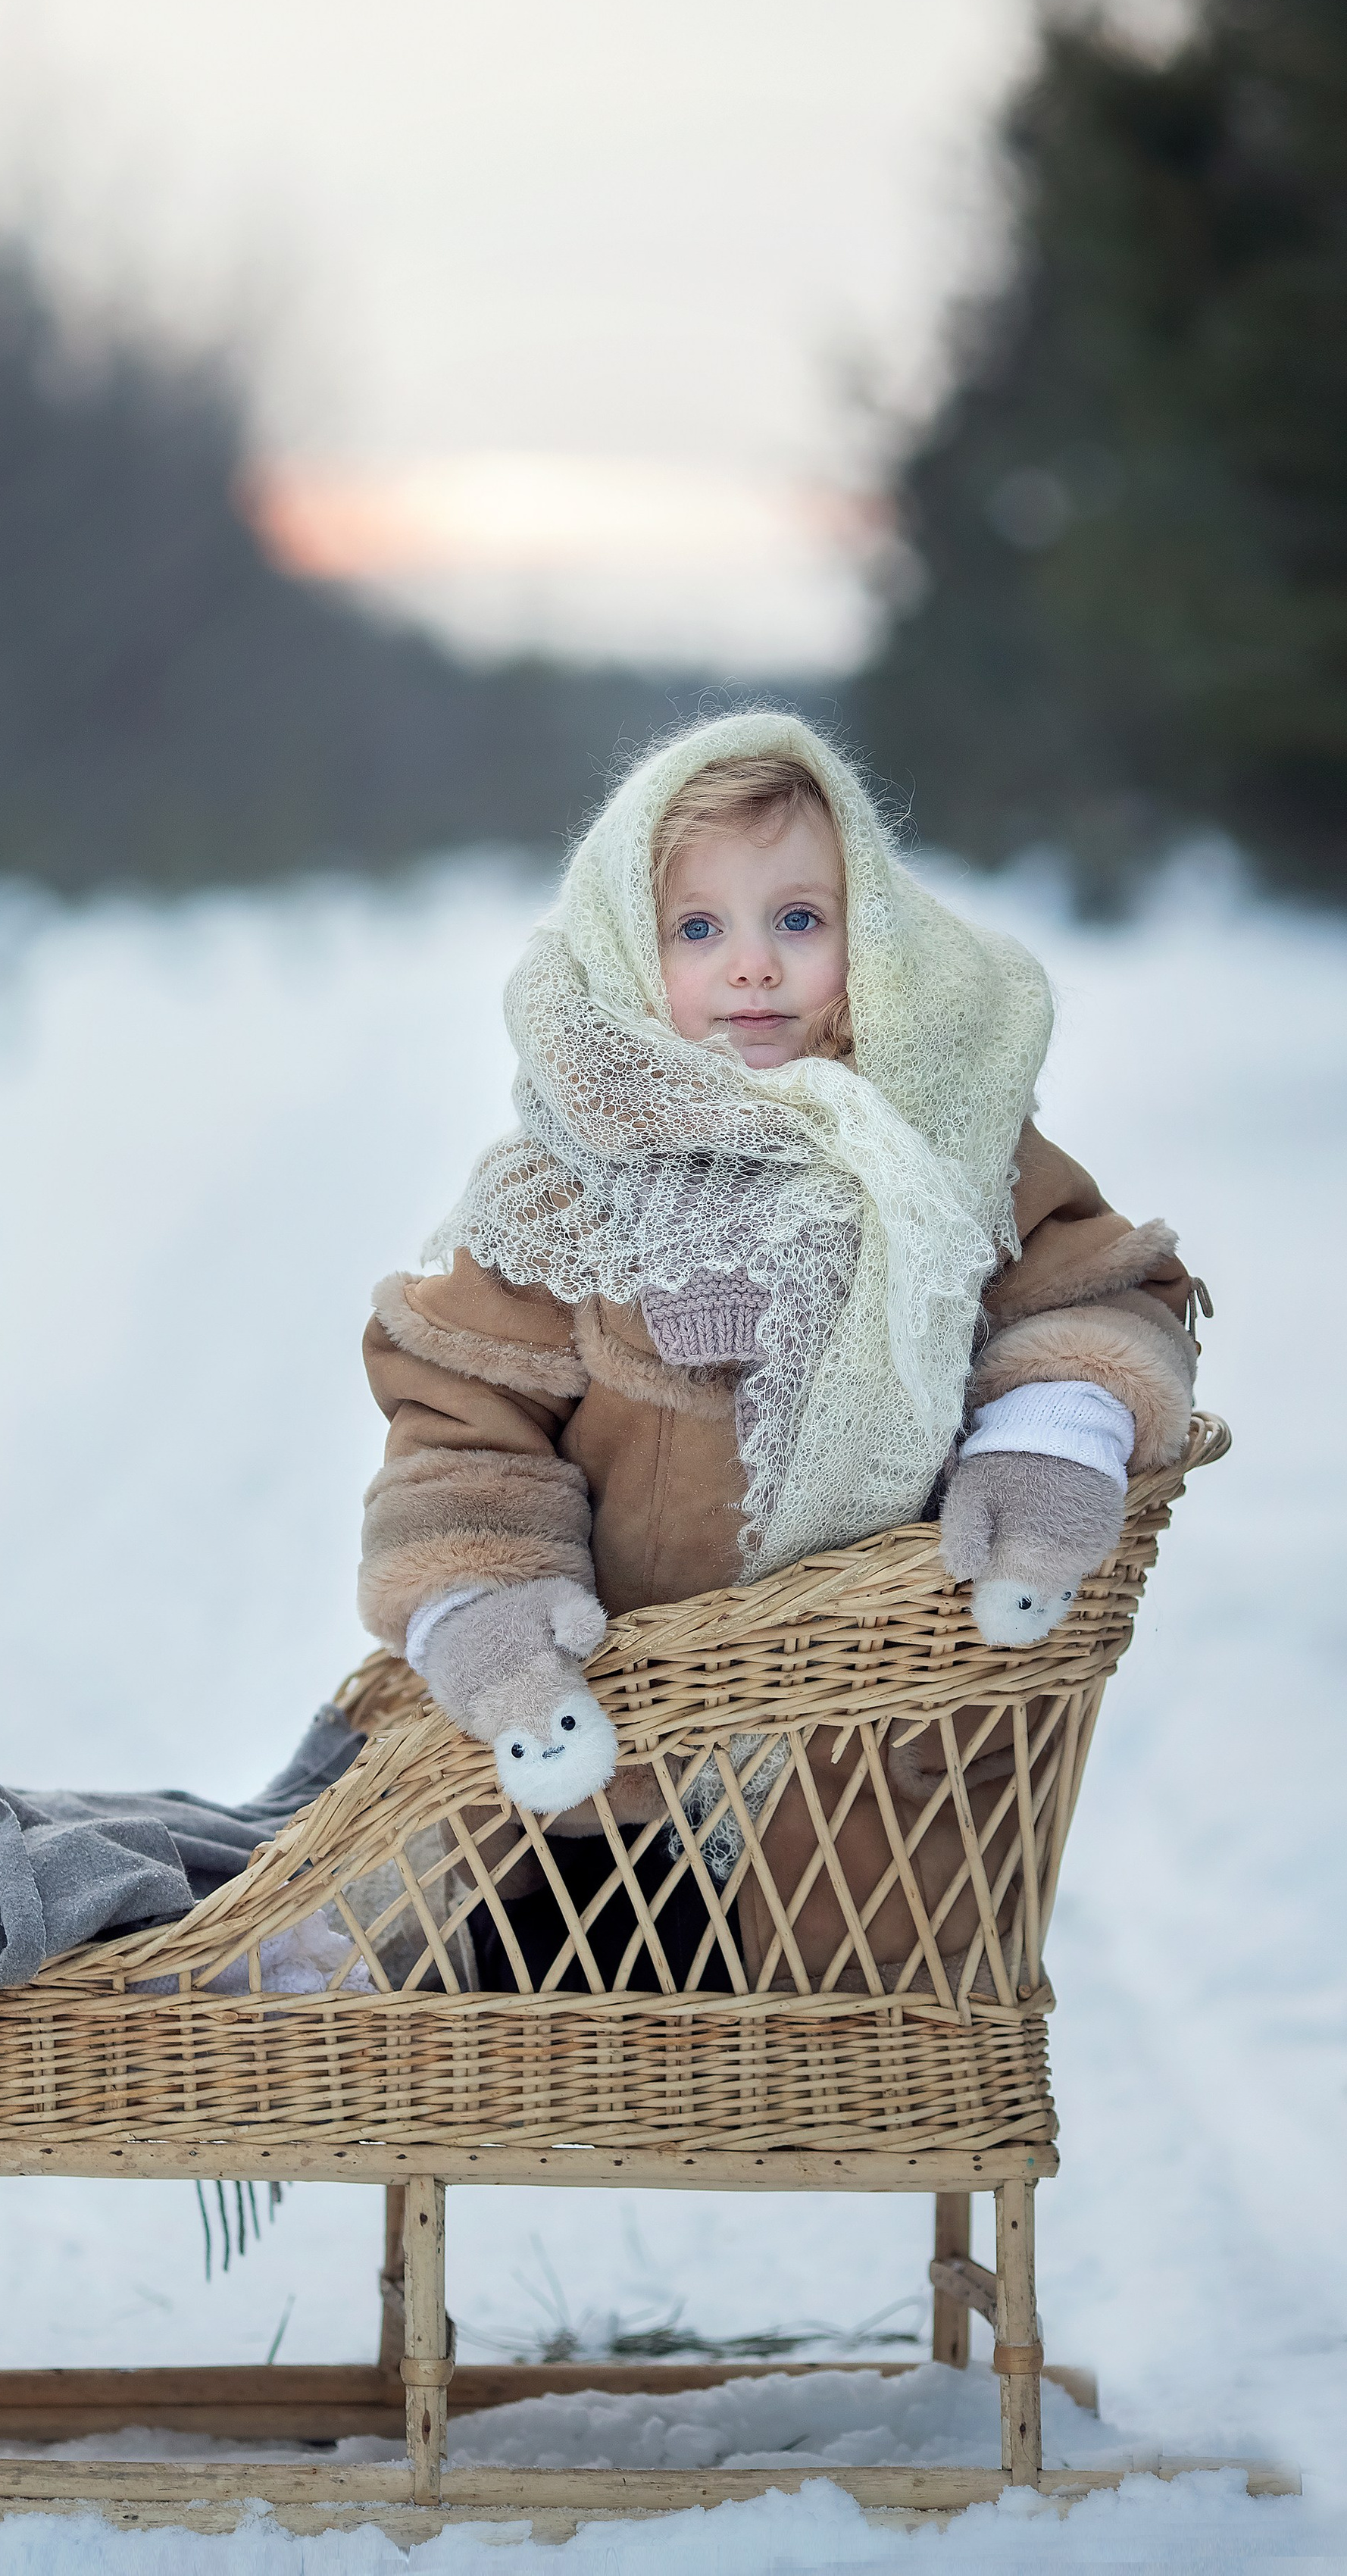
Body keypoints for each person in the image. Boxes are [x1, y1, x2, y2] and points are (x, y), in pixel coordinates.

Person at [358, 714, 1199, 1852]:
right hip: (604, 1754)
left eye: (798, 919)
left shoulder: (947, 1142)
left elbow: (1089, 1289)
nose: (752, 964)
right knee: (574, 1960)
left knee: (862, 1954)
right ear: (627, 951)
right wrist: (489, 1603)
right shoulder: (568, 1184)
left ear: (870, 937)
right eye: (697, 927)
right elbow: (467, 1417)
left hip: (882, 1753)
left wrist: (1048, 1435)